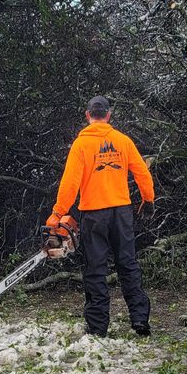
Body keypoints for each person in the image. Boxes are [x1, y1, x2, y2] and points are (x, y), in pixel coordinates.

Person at [48, 96, 155, 337]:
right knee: (127, 264)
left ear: (88, 116)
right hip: (122, 213)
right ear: (108, 116)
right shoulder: (123, 141)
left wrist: (58, 213)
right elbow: (142, 173)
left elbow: (70, 184)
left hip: (94, 214)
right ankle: (140, 320)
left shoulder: (81, 145)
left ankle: (97, 328)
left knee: (95, 269)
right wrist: (148, 200)